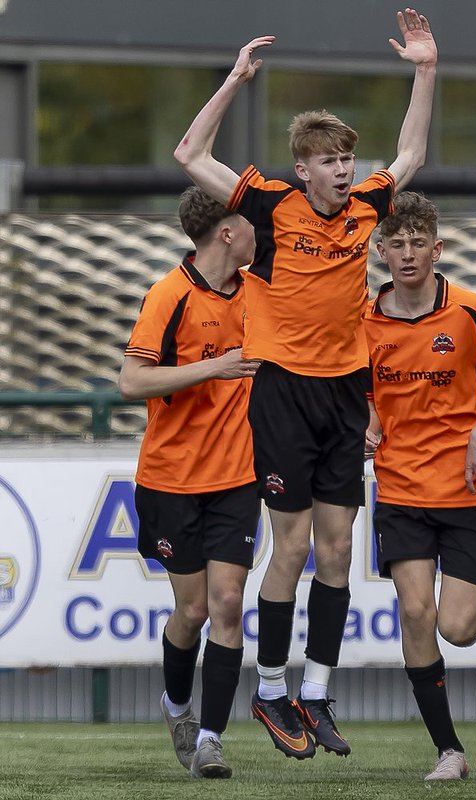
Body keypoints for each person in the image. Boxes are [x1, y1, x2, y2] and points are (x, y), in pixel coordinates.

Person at [172, 9, 437, 759]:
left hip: (344, 390)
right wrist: (234, 80)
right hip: (283, 388)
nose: (345, 169)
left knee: (336, 550)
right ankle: (270, 690)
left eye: (349, 158)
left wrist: (424, 70)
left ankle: (316, 693)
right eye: (330, 160)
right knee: (288, 549)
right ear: (304, 169)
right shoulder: (266, 204)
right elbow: (189, 152)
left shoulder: (366, 208)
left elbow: (411, 152)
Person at [363, 192, 476, 780]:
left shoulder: (470, 310)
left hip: (469, 488)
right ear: (379, 250)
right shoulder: (365, 320)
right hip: (401, 488)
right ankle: (449, 752)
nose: (407, 254)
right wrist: (369, 424)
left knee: (455, 629)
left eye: (418, 243)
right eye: (396, 244)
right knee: (414, 612)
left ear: (437, 249)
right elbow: (367, 398)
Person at [119, 187, 261, 779]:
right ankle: (176, 704)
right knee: (195, 608)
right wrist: (216, 366)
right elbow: (131, 382)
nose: (262, 235)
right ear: (227, 233)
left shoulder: (263, 294)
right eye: (252, 225)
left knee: (229, 602)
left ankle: (210, 737)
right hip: (172, 478)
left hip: (239, 477)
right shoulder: (169, 295)